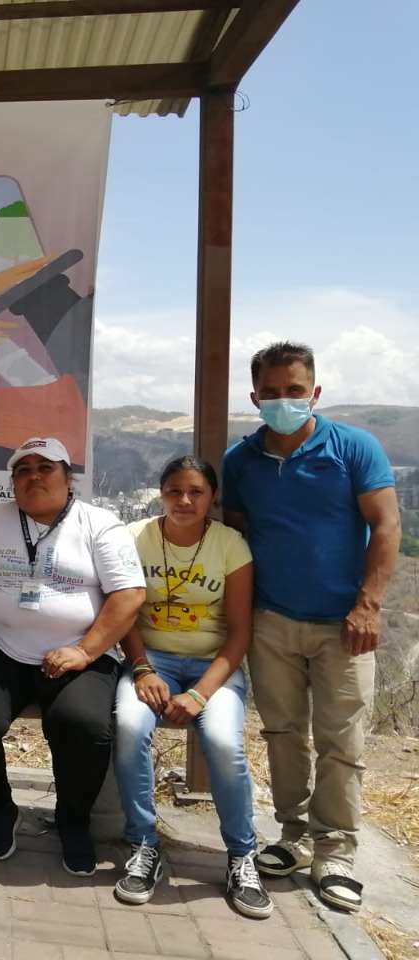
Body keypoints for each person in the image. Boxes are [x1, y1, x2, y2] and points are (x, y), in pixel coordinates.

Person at [223, 341, 399, 913]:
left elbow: (387, 524)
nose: (282, 401)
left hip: (345, 624)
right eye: (270, 392)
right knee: (282, 733)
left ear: (314, 392)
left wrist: (369, 604)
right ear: (255, 397)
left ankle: (337, 852)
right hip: (272, 619)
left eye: (294, 391)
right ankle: (294, 836)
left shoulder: (353, 448)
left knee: (342, 742)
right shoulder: (241, 460)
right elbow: (239, 537)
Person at [0, 437, 144, 877]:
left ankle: (73, 822)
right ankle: (1, 810)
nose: (34, 476)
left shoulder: (100, 523)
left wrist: (84, 650)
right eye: (23, 469)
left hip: (82, 652)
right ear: (13, 481)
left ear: (67, 477)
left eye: (45, 467)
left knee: (82, 726)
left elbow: (129, 596)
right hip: (2, 646)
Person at [113, 456, 271, 918]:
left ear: (212, 497)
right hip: (150, 658)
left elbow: (240, 632)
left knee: (222, 741)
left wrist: (200, 694)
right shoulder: (133, 538)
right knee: (128, 727)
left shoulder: (231, 546)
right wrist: (142, 669)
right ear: (160, 492)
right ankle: (144, 845)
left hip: (212, 664)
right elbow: (123, 611)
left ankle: (242, 855)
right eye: (174, 491)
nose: (184, 500)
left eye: (196, 492)